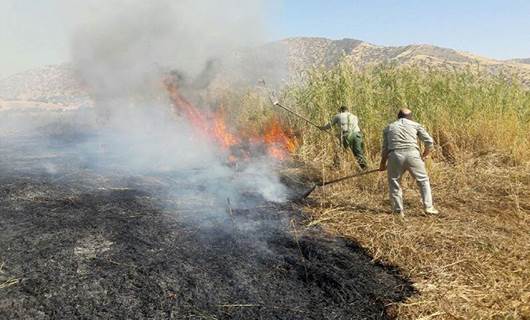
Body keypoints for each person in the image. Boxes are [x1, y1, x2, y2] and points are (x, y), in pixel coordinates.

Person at [379, 108, 439, 217]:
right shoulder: (415, 125)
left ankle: (398, 211)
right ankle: (428, 207)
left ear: (398, 116)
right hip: (413, 154)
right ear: (410, 117)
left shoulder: (389, 127)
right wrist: (424, 155)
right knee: (423, 181)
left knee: (394, 182)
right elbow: (429, 142)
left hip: (395, 155)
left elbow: (385, 149)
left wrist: (383, 163)